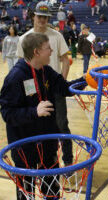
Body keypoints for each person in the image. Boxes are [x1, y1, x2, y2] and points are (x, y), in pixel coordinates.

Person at [0, 32, 85, 200]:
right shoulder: (15, 77)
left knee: (51, 190)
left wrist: (86, 80)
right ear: (36, 52)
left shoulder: (46, 71)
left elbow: (65, 88)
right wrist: (33, 112)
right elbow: (7, 113)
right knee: (27, 194)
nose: (52, 51)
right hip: (25, 147)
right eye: (48, 48)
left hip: (47, 143)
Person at [16, 1, 72, 150]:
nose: (42, 20)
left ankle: (67, 161)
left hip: (54, 88)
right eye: (39, 16)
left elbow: (65, 61)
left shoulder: (57, 36)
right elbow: (21, 67)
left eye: (45, 17)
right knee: (37, 126)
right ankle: (42, 161)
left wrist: (62, 82)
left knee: (61, 125)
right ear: (33, 16)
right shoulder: (23, 39)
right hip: (33, 91)